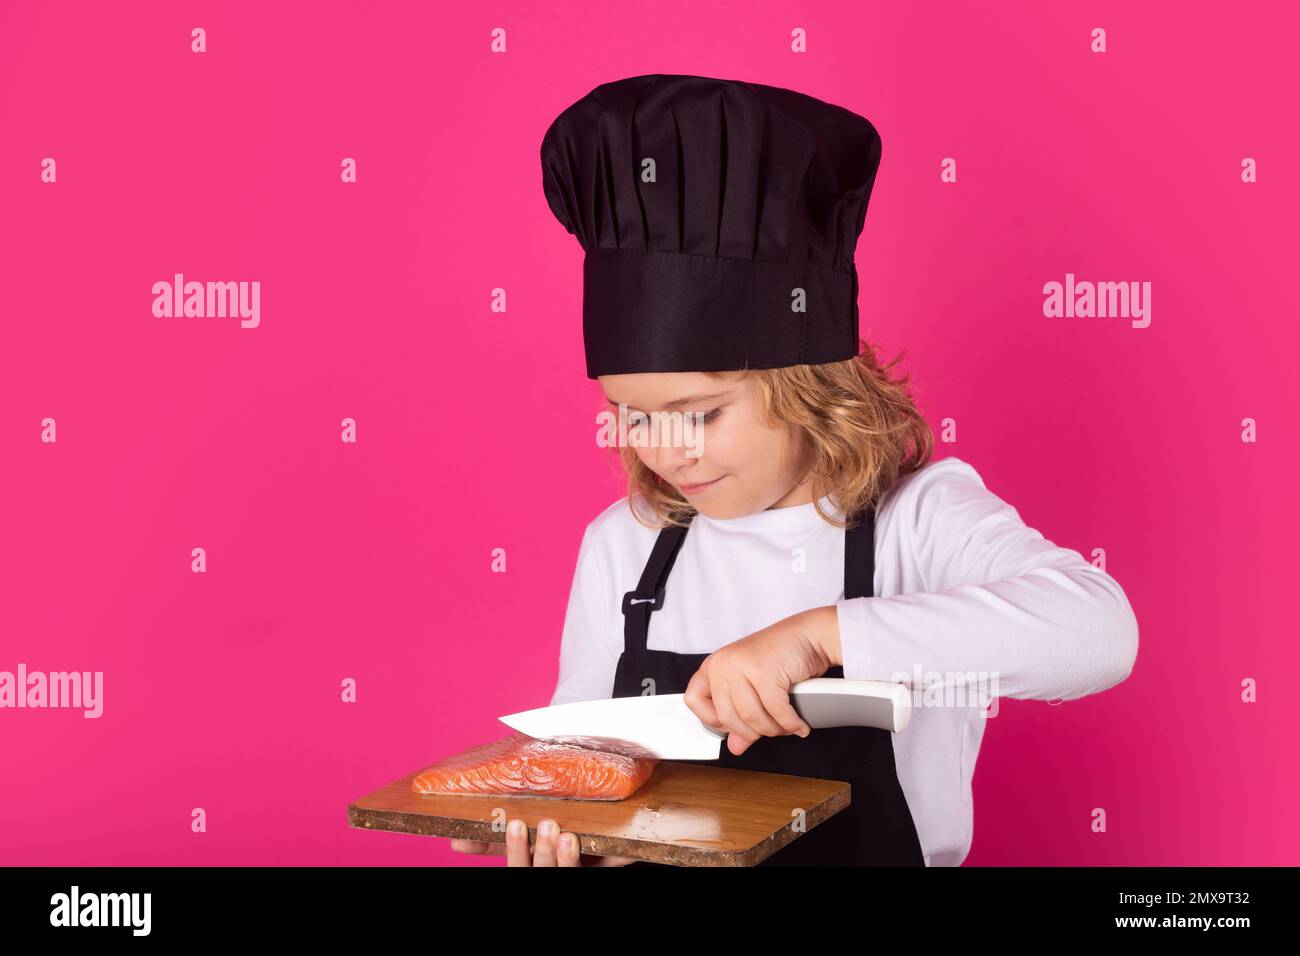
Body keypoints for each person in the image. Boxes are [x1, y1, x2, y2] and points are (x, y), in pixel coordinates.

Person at [451, 73, 1139, 867]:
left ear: (806, 381)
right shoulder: (625, 544)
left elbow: (1100, 632)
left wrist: (816, 639)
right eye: (633, 416)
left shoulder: (918, 523)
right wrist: (579, 840)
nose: (666, 451)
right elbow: (591, 763)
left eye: (701, 413)